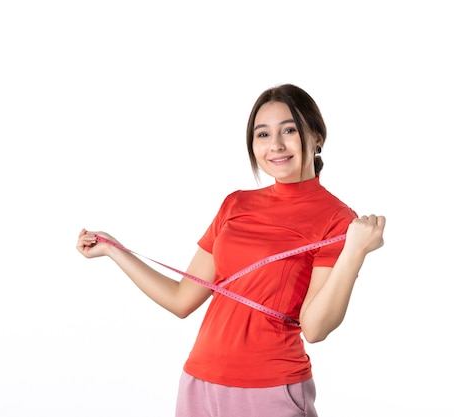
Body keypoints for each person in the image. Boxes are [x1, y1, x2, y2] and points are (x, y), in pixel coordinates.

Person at [76, 83, 386, 417]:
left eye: (289, 130)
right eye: (262, 135)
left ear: (317, 137)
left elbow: (315, 328)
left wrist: (354, 253)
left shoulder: (337, 220)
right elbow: (181, 300)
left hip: (270, 389)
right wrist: (114, 250)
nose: (276, 145)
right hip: (200, 381)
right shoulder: (235, 204)